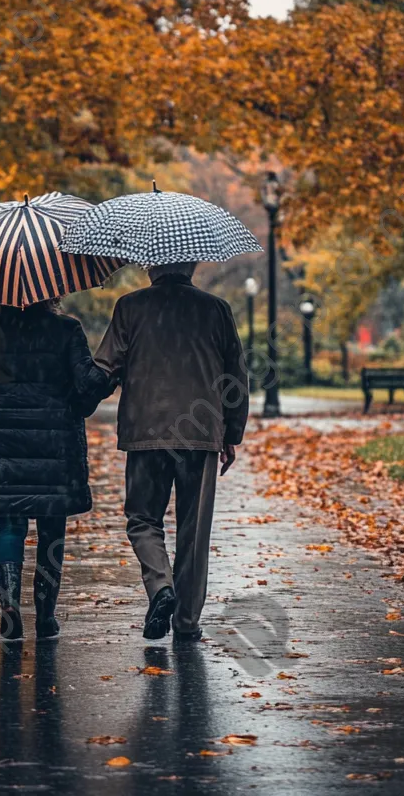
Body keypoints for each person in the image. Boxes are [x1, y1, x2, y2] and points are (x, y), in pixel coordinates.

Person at [94, 262, 248, 641]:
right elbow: (237, 374)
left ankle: (161, 586)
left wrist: (80, 390)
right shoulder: (215, 309)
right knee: (194, 530)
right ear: (192, 265)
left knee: (143, 519)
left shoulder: (129, 306)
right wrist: (233, 432)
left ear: (151, 265)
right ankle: (186, 623)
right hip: (201, 432)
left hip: (146, 431)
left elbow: (105, 365)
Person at [0, 298, 113, 641]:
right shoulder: (67, 329)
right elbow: (85, 382)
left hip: (4, 438)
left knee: (10, 523)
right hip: (55, 441)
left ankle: (9, 604)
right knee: (52, 530)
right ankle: (45, 616)